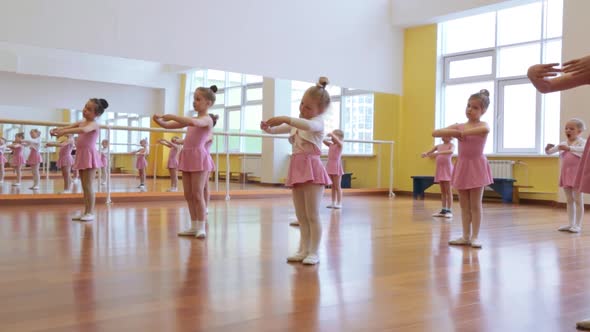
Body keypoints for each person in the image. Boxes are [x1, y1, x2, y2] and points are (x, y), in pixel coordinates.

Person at [261, 77, 332, 265]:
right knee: (300, 214)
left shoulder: (317, 123)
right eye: (302, 104)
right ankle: (303, 249)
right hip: (297, 167)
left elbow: (308, 126)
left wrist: (285, 117)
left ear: (320, 110)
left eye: (308, 107)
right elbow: (279, 130)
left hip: (312, 168)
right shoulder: (297, 123)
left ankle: (314, 251)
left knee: (312, 214)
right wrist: (268, 129)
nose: (302, 109)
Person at [153, 85, 217, 238]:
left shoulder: (207, 119)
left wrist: (172, 116)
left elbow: (194, 123)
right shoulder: (192, 120)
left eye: (198, 99)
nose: (194, 102)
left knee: (197, 193)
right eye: (194, 99)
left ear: (208, 103)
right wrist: (158, 120)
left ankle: (201, 226)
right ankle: (193, 226)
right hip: (187, 157)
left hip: (199, 157)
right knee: (188, 194)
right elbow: (168, 126)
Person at [432, 89, 493, 249]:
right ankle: (465, 236)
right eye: (468, 106)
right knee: (464, 205)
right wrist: (456, 131)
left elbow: (485, 130)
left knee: (475, 204)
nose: (469, 110)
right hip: (462, 166)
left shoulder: (482, 125)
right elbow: (436, 132)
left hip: (477, 165)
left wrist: (461, 133)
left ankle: (475, 236)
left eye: (474, 107)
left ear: (483, 111)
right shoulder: (460, 126)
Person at [51, 98, 108, 222]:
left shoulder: (93, 124)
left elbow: (82, 130)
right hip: (81, 154)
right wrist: (58, 130)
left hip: (90, 155)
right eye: (85, 107)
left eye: (89, 110)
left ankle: (90, 212)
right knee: (84, 185)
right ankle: (86, 211)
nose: (85, 110)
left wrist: (64, 131)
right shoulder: (82, 121)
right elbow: (70, 126)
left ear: (96, 114)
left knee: (88, 186)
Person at [545, 119, 586, 233]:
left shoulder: (582, 142)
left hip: (577, 175)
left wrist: (569, 148)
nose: (568, 130)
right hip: (566, 174)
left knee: (578, 199)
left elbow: (585, 150)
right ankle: (571, 224)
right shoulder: (563, 143)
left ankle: (578, 225)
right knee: (569, 199)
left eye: (571, 128)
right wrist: (547, 149)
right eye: (566, 128)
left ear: (579, 131)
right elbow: (550, 152)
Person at [421, 137, 455, 218]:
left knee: (448, 191)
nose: (443, 137)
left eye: (446, 135)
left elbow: (451, 151)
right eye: (442, 135)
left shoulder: (451, 145)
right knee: (443, 191)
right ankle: (443, 210)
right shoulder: (438, 146)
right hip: (440, 170)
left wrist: (438, 153)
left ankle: (449, 210)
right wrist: (425, 154)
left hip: (447, 170)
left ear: (450, 137)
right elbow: (429, 152)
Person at [324, 129, 344, 209]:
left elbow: (337, 141)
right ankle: (333, 202)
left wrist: (332, 134)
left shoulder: (340, 145)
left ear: (339, 137)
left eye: (335, 136)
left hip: (336, 167)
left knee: (337, 186)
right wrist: (322, 135)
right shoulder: (331, 145)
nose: (332, 138)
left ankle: (339, 203)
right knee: (332, 186)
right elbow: (324, 141)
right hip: (330, 166)